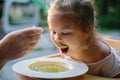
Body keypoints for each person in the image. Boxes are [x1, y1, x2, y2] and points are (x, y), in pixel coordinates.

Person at [17, 0, 120, 80]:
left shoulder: (103, 58)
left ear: (87, 30)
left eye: (65, 33)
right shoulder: (71, 45)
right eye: (53, 32)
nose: (57, 38)